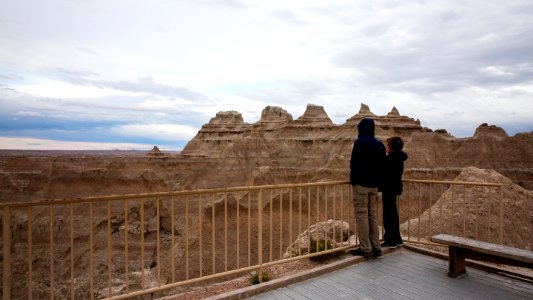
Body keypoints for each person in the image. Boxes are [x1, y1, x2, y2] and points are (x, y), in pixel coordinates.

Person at [349, 118, 386, 258]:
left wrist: (354, 180)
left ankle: (365, 248)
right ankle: (376, 247)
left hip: (361, 185)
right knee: (373, 216)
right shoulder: (379, 144)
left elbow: (354, 163)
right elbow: (383, 167)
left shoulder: (360, 143)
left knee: (362, 216)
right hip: (374, 186)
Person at [381, 136, 408, 248]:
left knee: (388, 215)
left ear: (391, 148)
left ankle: (390, 241)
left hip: (388, 189)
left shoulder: (390, 159)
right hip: (395, 188)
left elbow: (383, 172)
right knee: (393, 214)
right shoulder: (400, 157)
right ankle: (397, 239)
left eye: (387, 145)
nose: (386, 147)